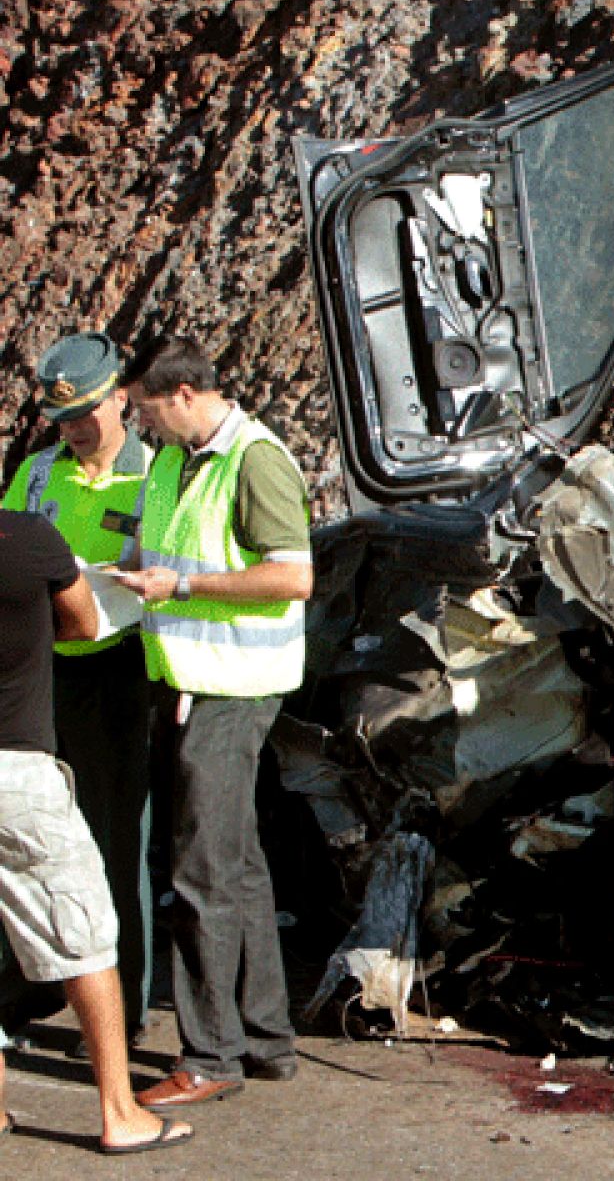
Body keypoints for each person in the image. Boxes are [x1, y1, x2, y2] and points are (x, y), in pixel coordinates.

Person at [114, 335, 312, 1109]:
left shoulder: (255, 458)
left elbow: (293, 574)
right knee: (237, 865)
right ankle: (264, 1040)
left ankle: (211, 1057)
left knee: (199, 872)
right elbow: (159, 550)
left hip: (235, 687)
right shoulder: (174, 461)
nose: (144, 423)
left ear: (187, 394)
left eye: (149, 409)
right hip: (195, 682)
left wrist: (182, 584)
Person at [0, 508, 193, 1153]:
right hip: (17, 771)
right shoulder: (27, 538)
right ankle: (120, 1112)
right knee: (84, 936)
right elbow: (82, 626)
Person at [1, 332, 155, 1054]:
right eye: (63, 418)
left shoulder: (154, 473)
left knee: (114, 838)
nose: (76, 428)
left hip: (118, 670)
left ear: (120, 393)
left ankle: (124, 1008)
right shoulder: (35, 474)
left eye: (88, 412)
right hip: (45, 673)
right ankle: (34, 986)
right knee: (37, 841)